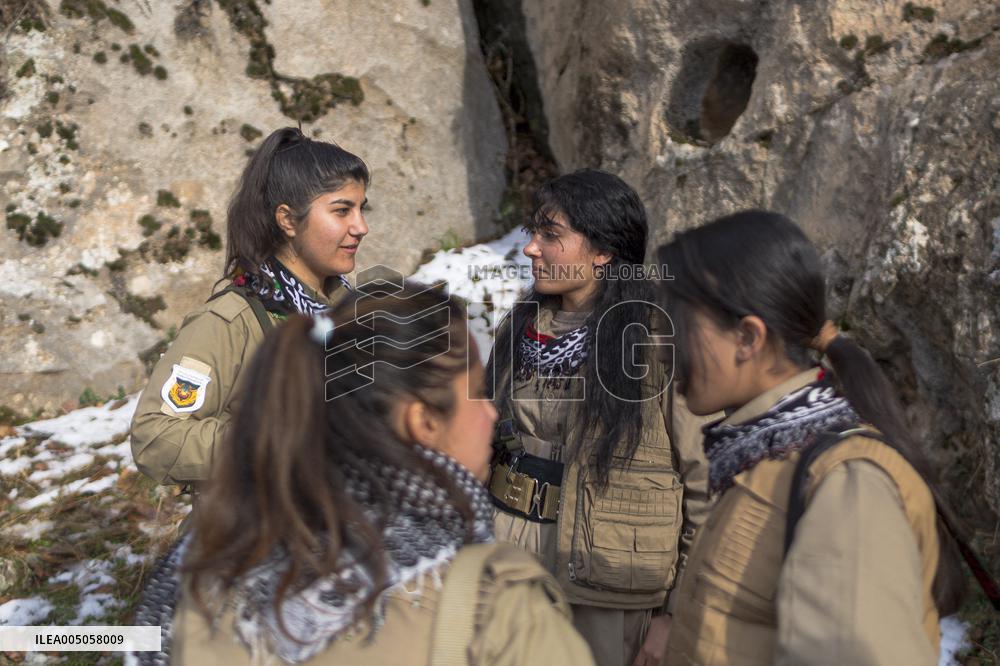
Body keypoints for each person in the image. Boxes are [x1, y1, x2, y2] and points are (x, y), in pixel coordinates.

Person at [133, 284, 595, 665]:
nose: (492, 414)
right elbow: (158, 433)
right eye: (477, 392)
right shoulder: (496, 606)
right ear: (424, 422)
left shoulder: (197, 572)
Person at [655, 210, 969, 665]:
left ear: (747, 337)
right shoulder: (760, 460)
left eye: (678, 325)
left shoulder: (847, 483)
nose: (665, 349)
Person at [486, 170, 714, 666]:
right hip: (510, 567)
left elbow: (704, 483)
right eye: (533, 235)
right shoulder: (519, 330)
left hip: (605, 589)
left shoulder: (656, 344)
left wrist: (674, 615)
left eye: (552, 236)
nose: (531, 249)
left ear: (603, 253)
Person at [130, 127, 369, 487]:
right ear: (288, 219)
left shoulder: (348, 310)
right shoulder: (232, 321)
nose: (361, 226)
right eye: (342, 211)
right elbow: (156, 437)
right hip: (258, 535)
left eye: (361, 209)